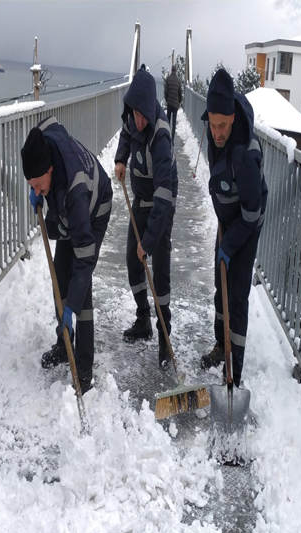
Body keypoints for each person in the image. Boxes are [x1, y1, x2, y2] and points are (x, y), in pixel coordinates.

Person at [23, 116, 113, 393]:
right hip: (68, 205)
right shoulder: (42, 144)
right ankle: (64, 346)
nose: (36, 190)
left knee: (79, 285)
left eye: (39, 185)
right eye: (31, 185)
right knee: (59, 274)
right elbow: (48, 125)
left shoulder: (74, 188)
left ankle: (83, 367)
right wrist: (38, 191)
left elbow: (84, 259)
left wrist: (71, 306)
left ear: (50, 169)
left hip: (94, 208)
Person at [198, 68, 268, 387]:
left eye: (223, 125)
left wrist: (230, 244)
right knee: (220, 286)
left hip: (246, 225)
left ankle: (234, 373)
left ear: (233, 119)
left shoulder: (245, 156)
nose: (217, 133)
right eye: (212, 125)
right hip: (228, 221)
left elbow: (252, 213)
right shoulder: (214, 131)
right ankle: (220, 345)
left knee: (236, 297)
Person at [115, 67, 179, 368]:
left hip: (161, 204)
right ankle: (143, 319)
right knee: (132, 260)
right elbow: (126, 135)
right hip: (140, 199)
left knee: (160, 270)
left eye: (142, 115)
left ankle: (165, 337)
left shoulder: (161, 137)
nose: (138, 121)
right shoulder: (133, 118)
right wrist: (120, 159)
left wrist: (150, 242)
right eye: (134, 114)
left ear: (151, 108)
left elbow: (164, 197)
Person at [165, 64, 183, 142]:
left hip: (169, 103)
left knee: (168, 120)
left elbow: (166, 91)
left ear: (171, 70)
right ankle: (172, 139)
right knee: (174, 121)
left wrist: (167, 99)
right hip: (175, 104)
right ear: (176, 71)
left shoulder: (168, 79)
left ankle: (167, 136)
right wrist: (179, 102)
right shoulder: (178, 81)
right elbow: (180, 93)